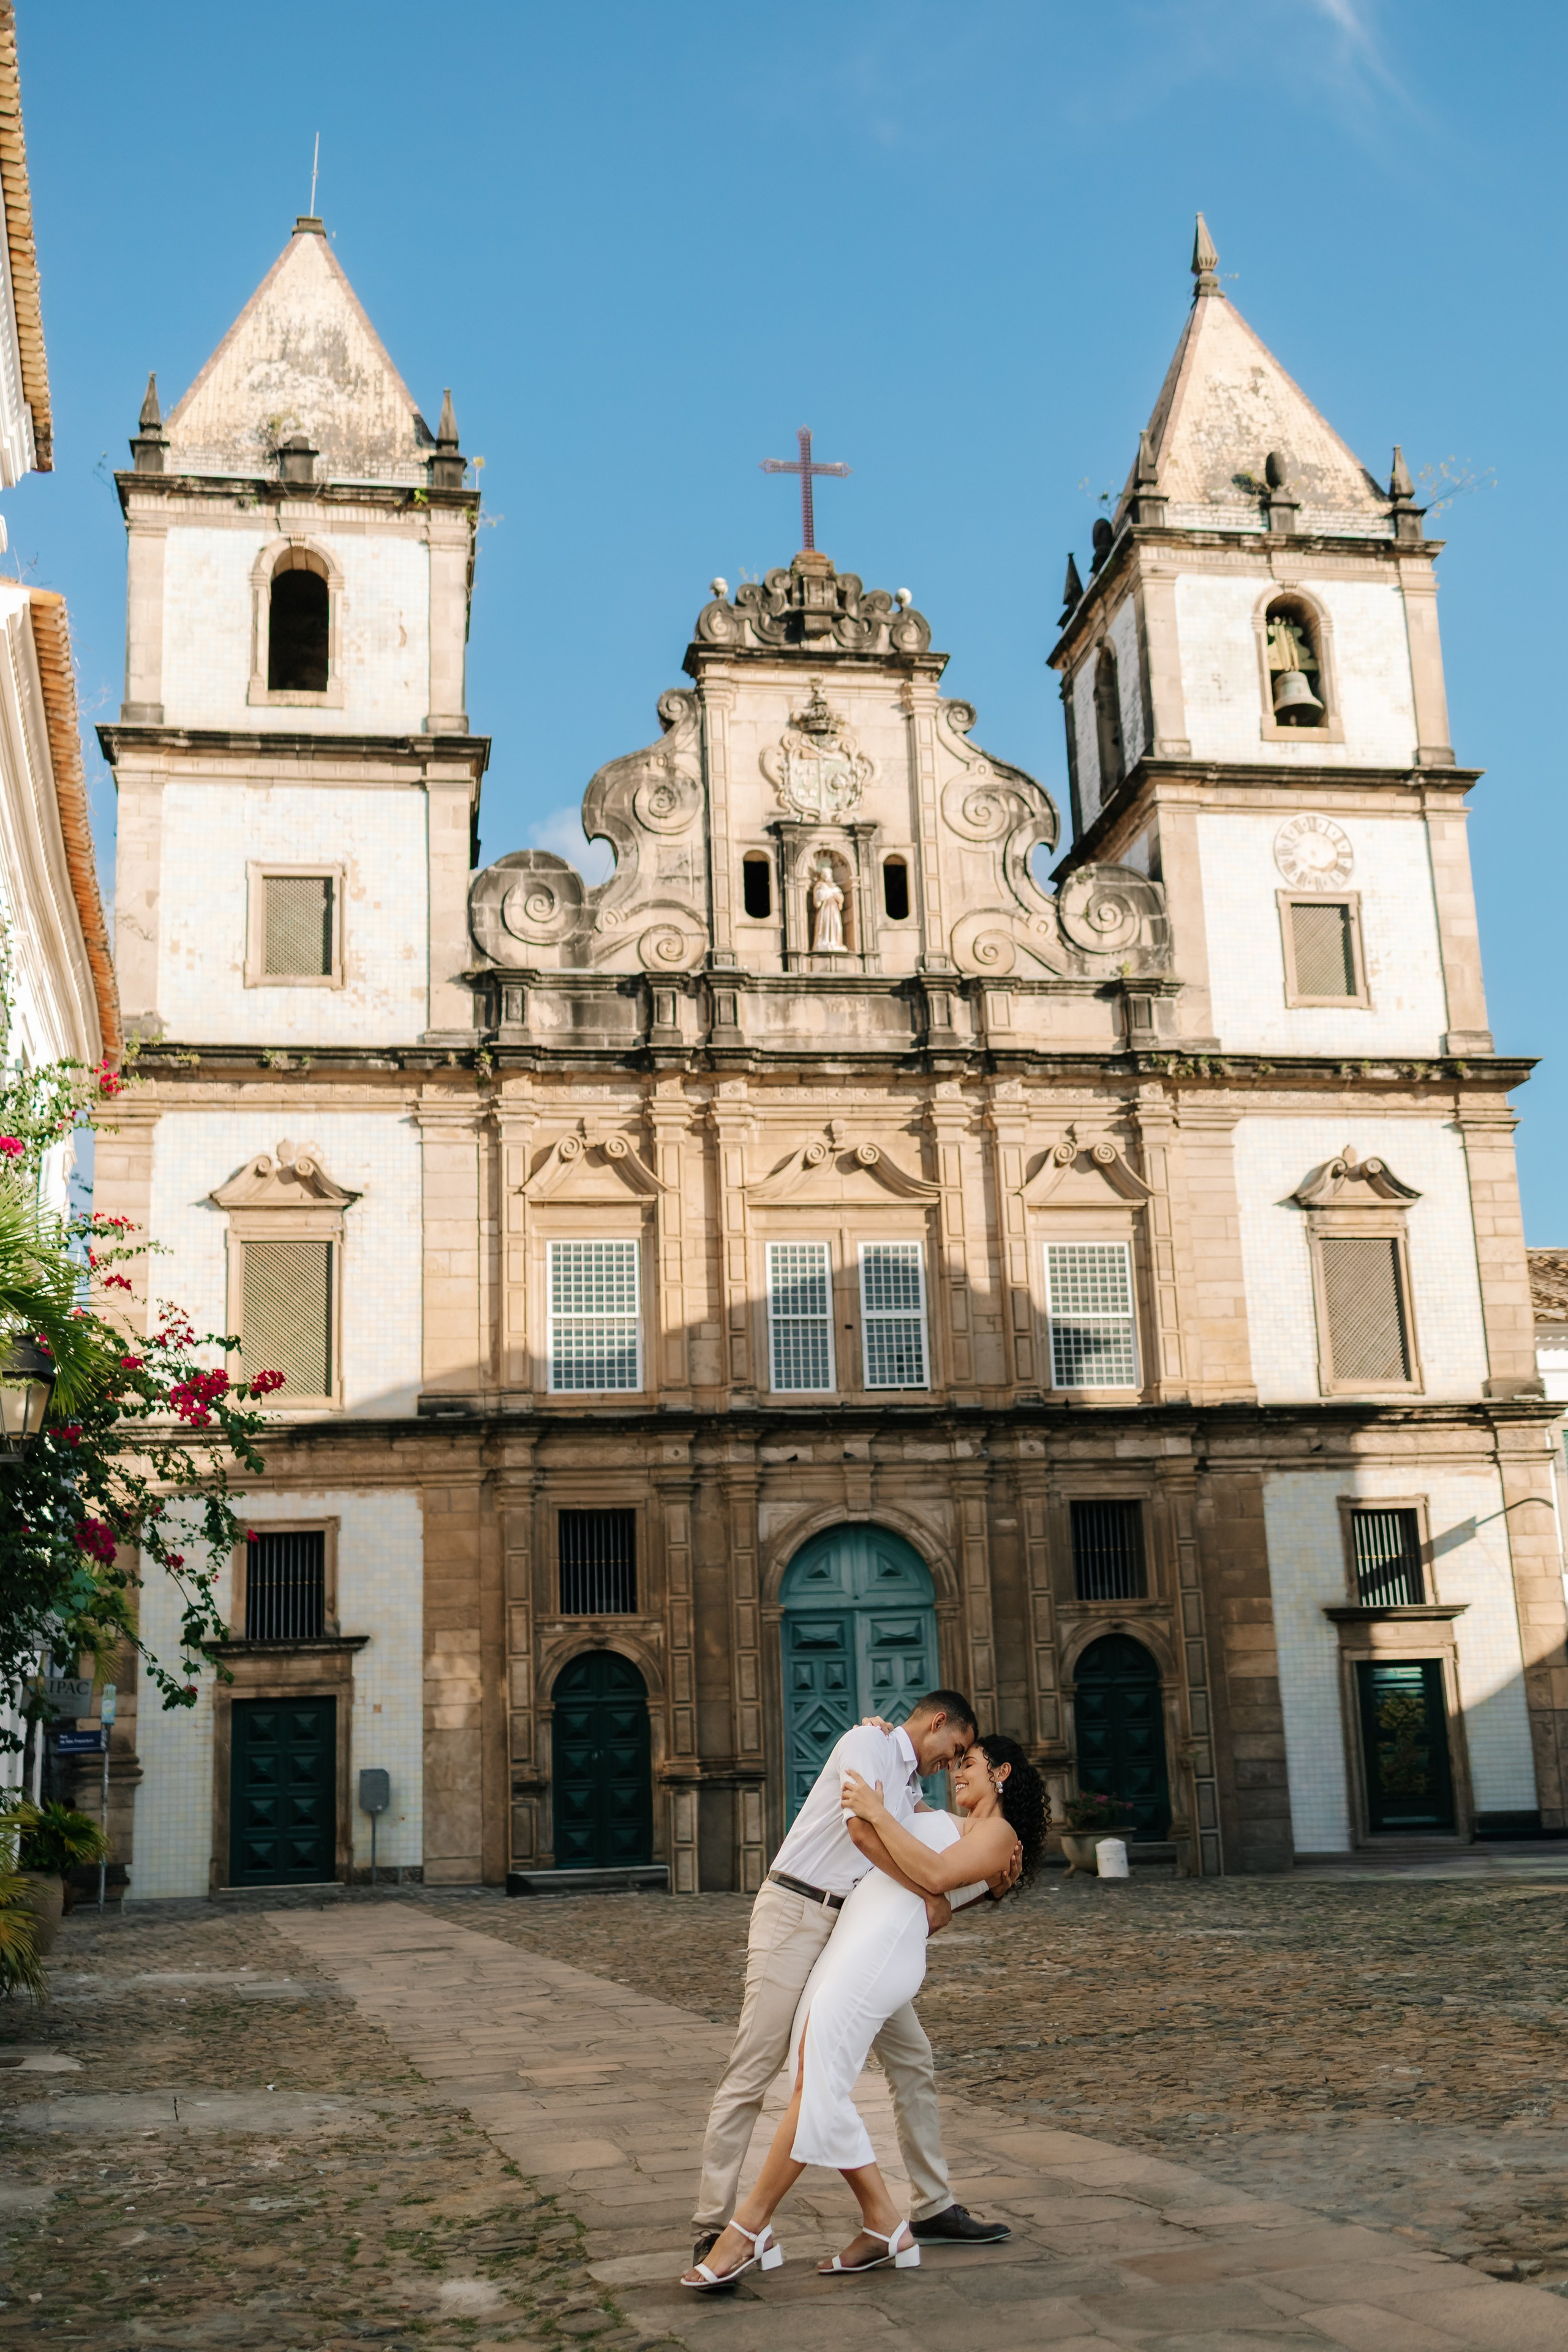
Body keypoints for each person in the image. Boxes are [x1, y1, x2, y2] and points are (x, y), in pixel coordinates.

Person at [685, 1700, 1027, 2286]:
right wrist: (931, 1896)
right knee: (759, 2066)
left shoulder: (907, 1781)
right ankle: (717, 2223)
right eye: (955, 1750)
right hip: (800, 1912)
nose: (952, 1766)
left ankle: (931, 2206)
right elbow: (864, 1833)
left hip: (855, 1934)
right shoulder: (870, 1747)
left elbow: (935, 1843)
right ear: (939, 1723)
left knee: (912, 2059)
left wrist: (988, 1874)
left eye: (966, 1762)